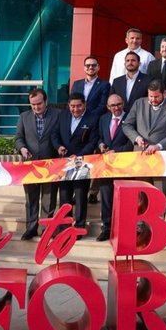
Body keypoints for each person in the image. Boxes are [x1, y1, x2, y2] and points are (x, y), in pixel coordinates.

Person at [15, 88, 62, 240]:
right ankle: (31, 228)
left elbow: (60, 135)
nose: (36, 107)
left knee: (49, 198)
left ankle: (46, 228)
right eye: (33, 104)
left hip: (51, 164)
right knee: (31, 198)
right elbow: (18, 137)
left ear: (46, 101)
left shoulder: (57, 115)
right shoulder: (24, 117)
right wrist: (22, 148)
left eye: (39, 104)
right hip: (30, 165)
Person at [50, 93, 97, 234]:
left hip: (82, 163)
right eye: (72, 106)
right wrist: (58, 146)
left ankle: (79, 228)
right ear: (68, 106)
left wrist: (80, 155)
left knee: (81, 195)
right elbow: (54, 134)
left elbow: (93, 141)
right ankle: (64, 227)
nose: (75, 109)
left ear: (84, 105)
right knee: (64, 196)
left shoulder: (93, 118)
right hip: (65, 164)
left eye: (78, 106)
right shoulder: (62, 116)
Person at [95, 94, 133, 241]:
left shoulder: (130, 118)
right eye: (113, 106)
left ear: (123, 104)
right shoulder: (103, 119)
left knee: (123, 198)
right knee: (106, 197)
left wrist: (117, 152)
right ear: (108, 107)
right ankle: (106, 227)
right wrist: (101, 145)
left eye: (118, 104)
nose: (116, 108)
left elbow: (131, 142)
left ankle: (122, 229)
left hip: (123, 164)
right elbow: (99, 137)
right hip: (106, 165)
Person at [71, 55, 110, 120]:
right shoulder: (76, 84)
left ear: (98, 67)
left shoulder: (105, 85)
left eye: (94, 65)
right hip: (76, 119)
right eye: (88, 65)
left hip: (94, 120)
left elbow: (103, 106)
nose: (91, 67)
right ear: (84, 68)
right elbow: (71, 102)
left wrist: (87, 117)